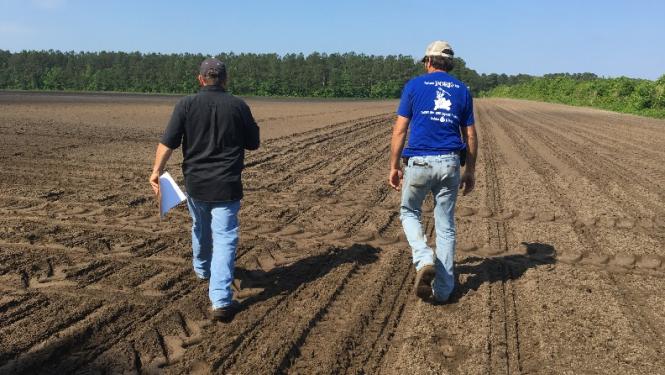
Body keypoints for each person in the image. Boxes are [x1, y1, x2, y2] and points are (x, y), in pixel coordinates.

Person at [149, 57, 260, 322]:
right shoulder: (238, 106)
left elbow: (168, 143)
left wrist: (156, 171)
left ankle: (202, 270)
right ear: (225, 80)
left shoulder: (186, 105)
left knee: (200, 227)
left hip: (196, 185)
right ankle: (221, 301)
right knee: (224, 239)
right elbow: (253, 143)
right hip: (227, 185)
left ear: (201, 79)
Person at [388, 41, 477, 303]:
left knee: (408, 211)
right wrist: (469, 170)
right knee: (446, 226)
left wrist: (394, 166)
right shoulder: (462, 90)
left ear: (428, 62)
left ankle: (424, 258)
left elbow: (400, 130)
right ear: (449, 64)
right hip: (450, 163)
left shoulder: (414, 86)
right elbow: (470, 135)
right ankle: (444, 291)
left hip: (419, 162)